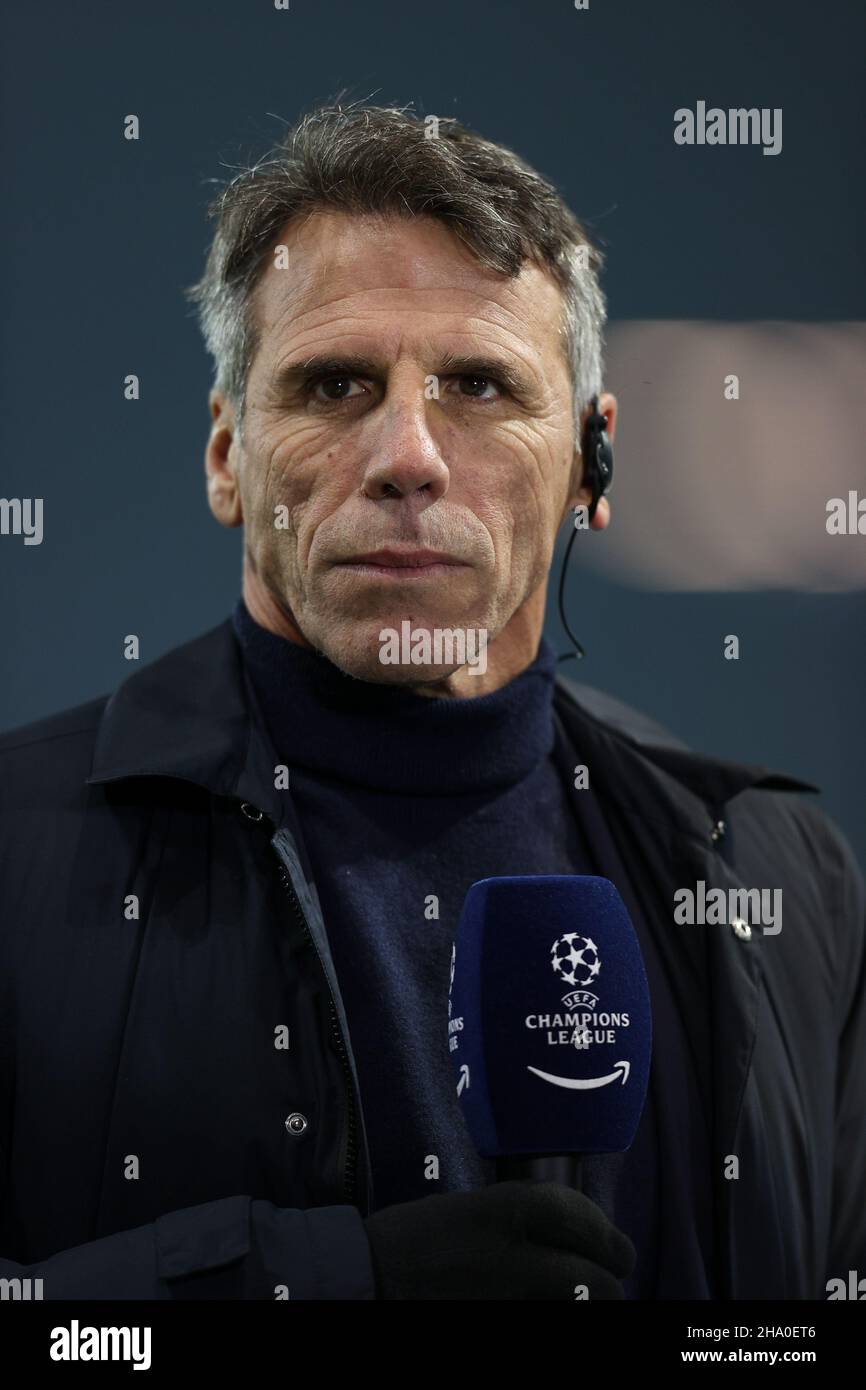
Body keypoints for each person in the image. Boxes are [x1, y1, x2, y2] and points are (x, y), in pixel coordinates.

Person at [0, 103, 863, 1301]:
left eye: (477, 385)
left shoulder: (778, 875)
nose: (408, 452)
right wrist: (322, 1286)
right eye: (335, 383)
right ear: (224, 457)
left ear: (590, 465)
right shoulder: (13, 854)